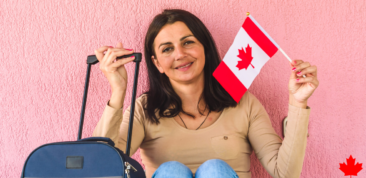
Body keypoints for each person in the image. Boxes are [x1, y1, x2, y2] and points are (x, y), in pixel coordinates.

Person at [93, 9, 319, 178]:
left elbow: (285, 173)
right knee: (172, 171)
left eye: (188, 42)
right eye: (168, 49)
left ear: (205, 48)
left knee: (214, 169)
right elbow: (101, 167)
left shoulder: (243, 104)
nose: (180, 54)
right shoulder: (145, 108)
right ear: (157, 63)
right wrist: (118, 91)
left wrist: (298, 103)